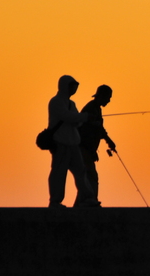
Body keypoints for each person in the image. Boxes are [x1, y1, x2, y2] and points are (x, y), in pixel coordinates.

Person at [47, 75, 98, 207]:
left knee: (81, 172)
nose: (74, 89)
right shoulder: (56, 101)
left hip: (73, 143)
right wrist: (85, 117)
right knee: (59, 172)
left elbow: (76, 121)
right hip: (60, 143)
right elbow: (67, 116)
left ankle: (87, 198)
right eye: (72, 86)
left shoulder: (71, 104)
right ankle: (55, 201)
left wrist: (83, 119)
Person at [78, 84, 117, 205]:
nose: (109, 100)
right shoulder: (91, 108)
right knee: (91, 177)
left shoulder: (96, 109)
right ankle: (90, 202)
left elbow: (99, 129)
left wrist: (108, 140)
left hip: (87, 149)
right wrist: (92, 151)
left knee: (88, 177)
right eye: (108, 98)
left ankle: (81, 203)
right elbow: (86, 132)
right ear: (102, 96)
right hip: (84, 149)